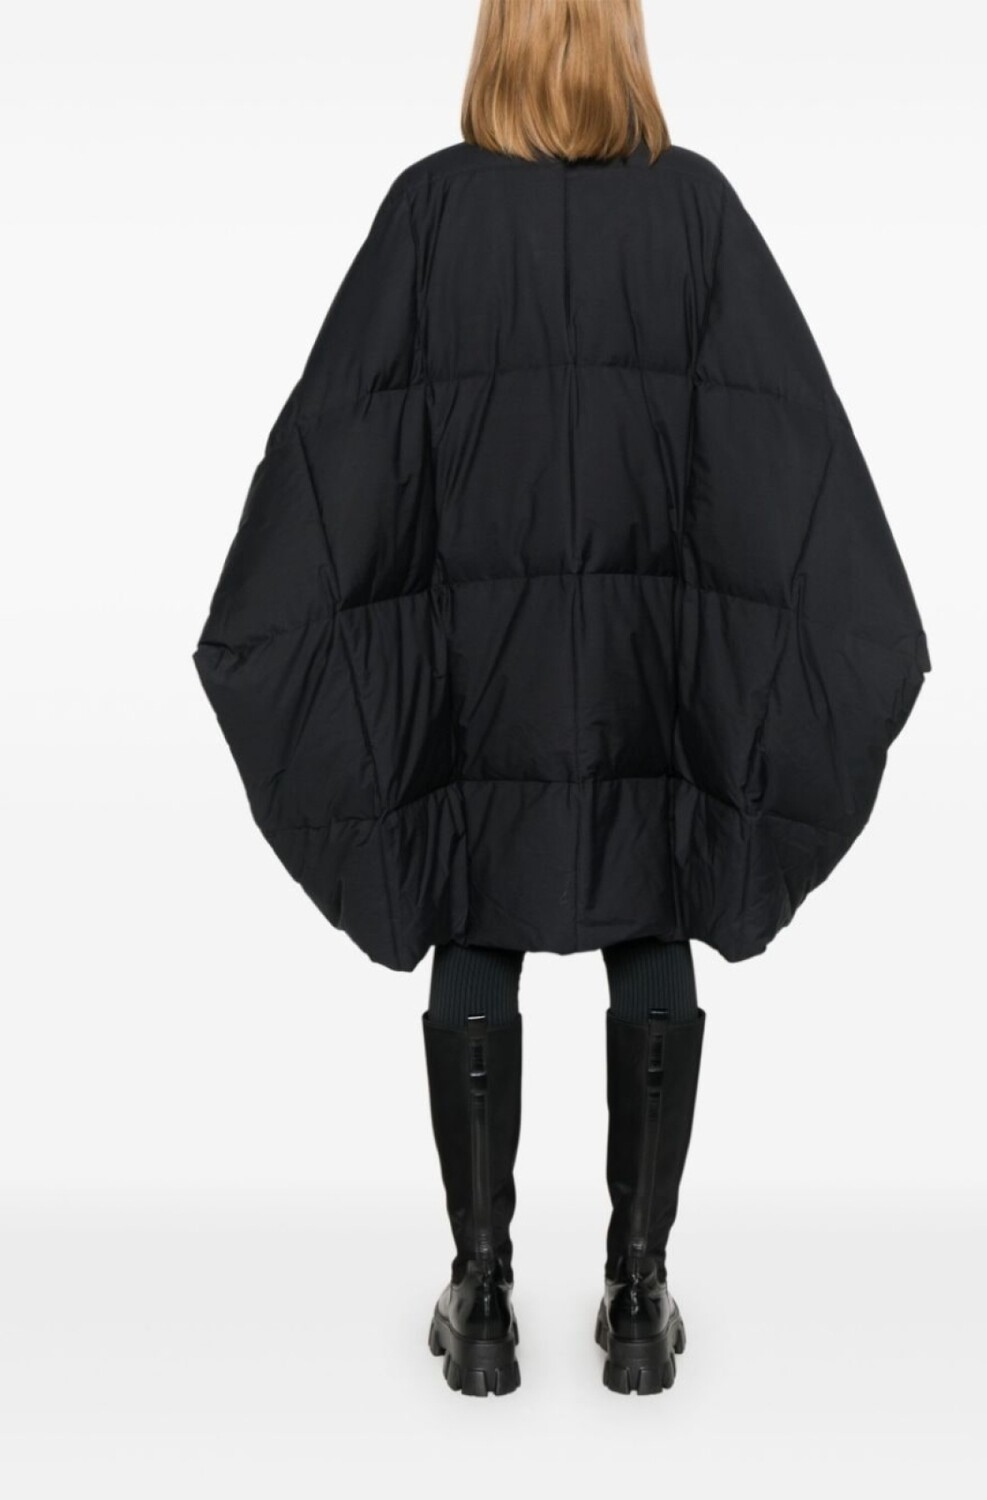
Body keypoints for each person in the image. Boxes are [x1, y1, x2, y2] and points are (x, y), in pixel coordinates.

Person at [193, 0, 930, 1398]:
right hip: (647, 673)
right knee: (649, 908)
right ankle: (638, 1298)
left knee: (477, 909)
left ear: (498, 38)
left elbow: (343, 454)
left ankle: (480, 1299)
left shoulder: (431, 213)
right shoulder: (693, 212)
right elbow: (779, 453)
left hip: (481, 677)